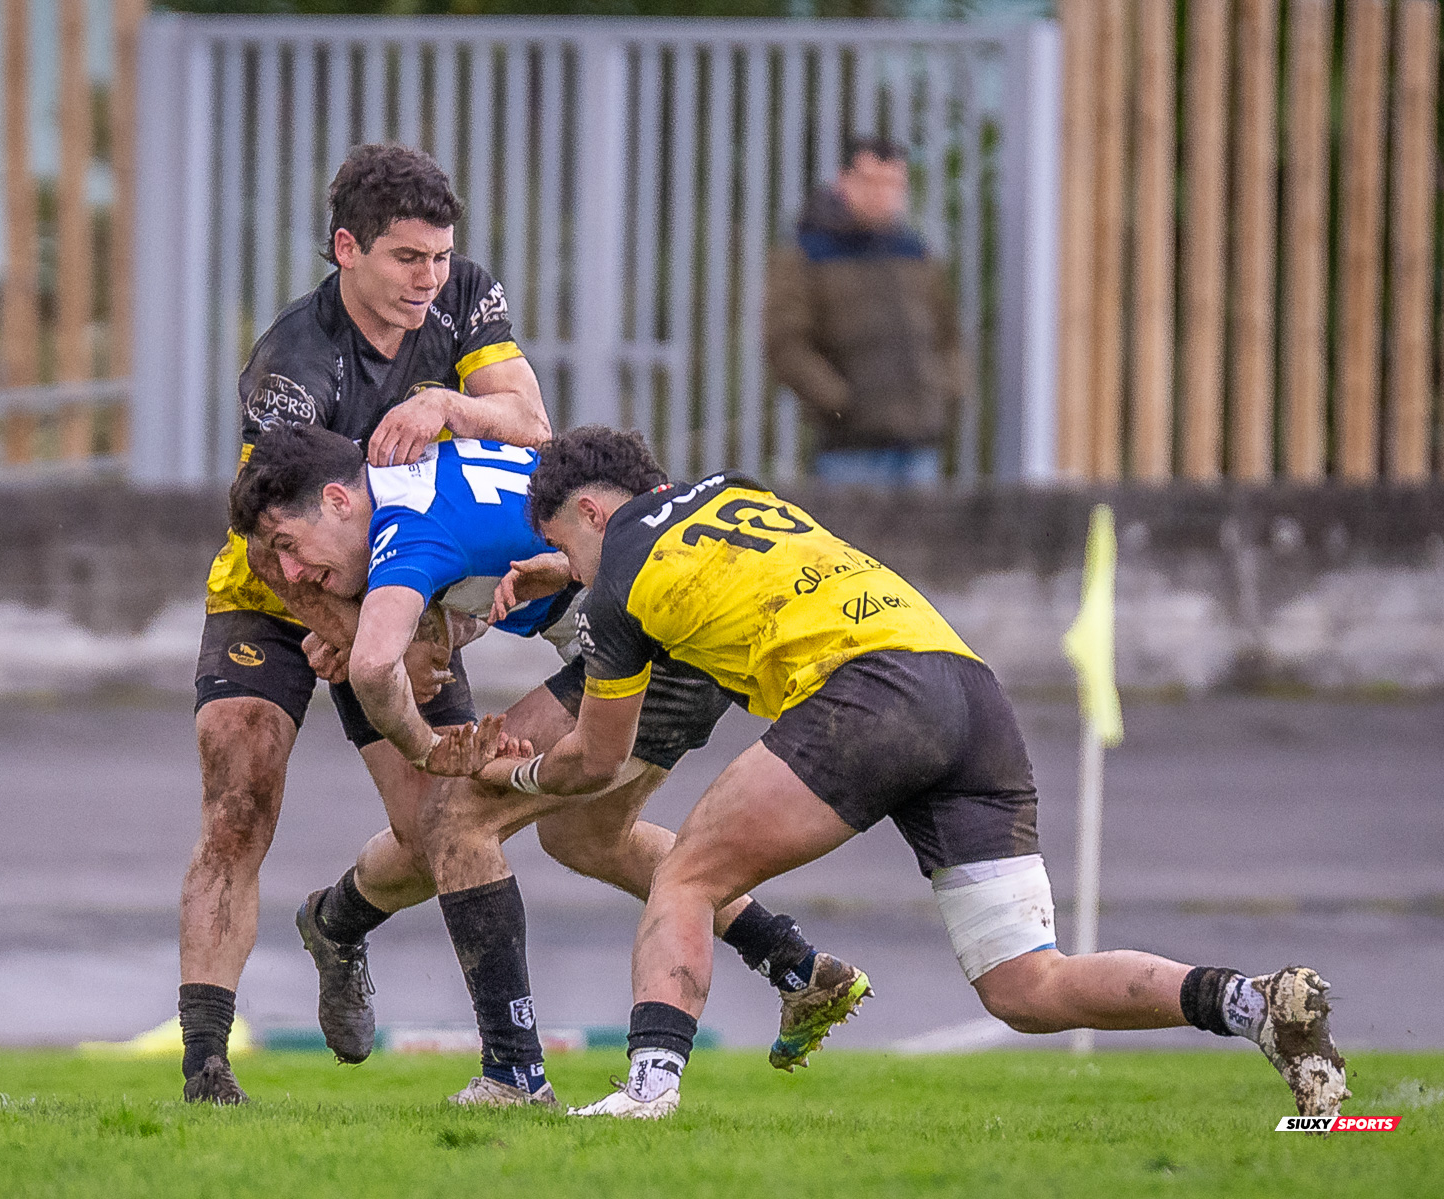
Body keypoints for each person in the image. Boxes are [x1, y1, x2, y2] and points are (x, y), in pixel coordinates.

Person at [456, 425, 1348, 1121]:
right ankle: (1253, 1002)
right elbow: (688, 557)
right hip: (967, 688)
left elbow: (599, 758)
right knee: (1026, 987)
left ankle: (648, 1091)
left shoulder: (614, 579)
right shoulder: (729, 488)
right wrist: (576, 571)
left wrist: (520, 775)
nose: (569, 570)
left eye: (560, 543)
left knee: (686, 875)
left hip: (869, 692)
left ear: (589, 513)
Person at [229, 422, 869, 1106]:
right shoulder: (430, 467)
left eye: (291, 548)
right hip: (686, 643)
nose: (294, 575)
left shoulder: (402, 530)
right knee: (584, 836)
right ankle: (793, 962)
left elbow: (375, 664)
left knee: (454, 818)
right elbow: (512, 539)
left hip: (651, 647)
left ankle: (512, 1073)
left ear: (337, 499)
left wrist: (426, 746)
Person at [178, 144, 553, 1105]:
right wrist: (344, 631)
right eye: (403, 259)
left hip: (400, 587)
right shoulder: (290, 368)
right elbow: (272, 537)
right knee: (240, 802)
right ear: (346, 248)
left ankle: (336, 924)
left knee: (444, 830)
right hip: (273, 594)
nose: (426, 280)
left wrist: (444, 403)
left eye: (438, 257)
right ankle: (207, 1068)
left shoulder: (462, 296)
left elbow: (532, 428)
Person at [763, 136, 960, 488]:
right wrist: (839, 402)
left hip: (919, 448)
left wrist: (942, 389)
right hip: (849, 452)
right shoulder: (808, 254)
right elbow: (786, 344)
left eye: (893, 184)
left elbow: (950, 337)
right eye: (871, 182)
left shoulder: (915, 255)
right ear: (844, 181)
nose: (883, 194)